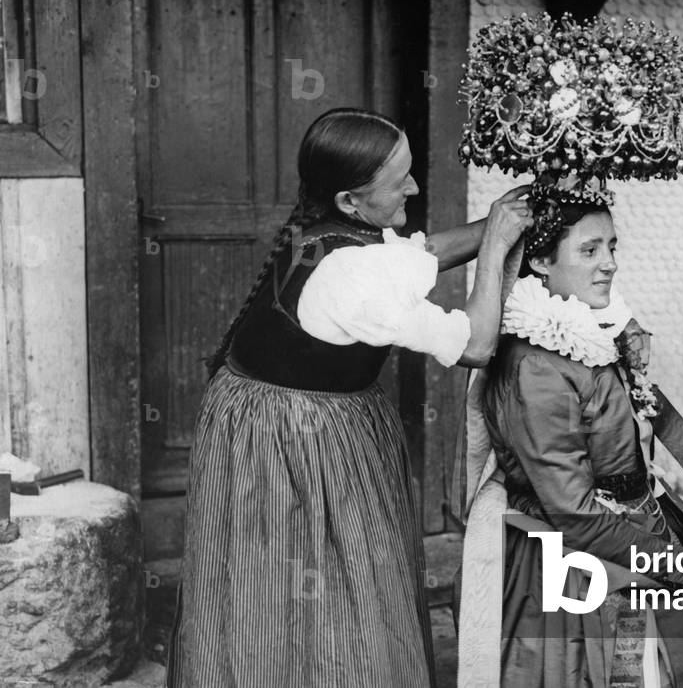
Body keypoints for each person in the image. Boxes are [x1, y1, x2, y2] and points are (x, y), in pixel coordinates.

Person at [167, 107, 531, 687]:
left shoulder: (329, 229)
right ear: (348, 203)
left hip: (258, 420)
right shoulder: (352, 275)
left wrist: (497, 221)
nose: (414, 186)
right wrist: (497, 250)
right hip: (301, 434)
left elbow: (420, 254)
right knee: (331, 575)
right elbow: (477, 345)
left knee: (275, 577)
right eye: (399, 182)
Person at [457, 200, 683, 687]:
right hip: (580, 557)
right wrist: (682, 568)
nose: (609, 262)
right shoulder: (536, 366)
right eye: (589, 250)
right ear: (540, 263)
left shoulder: (586, 331)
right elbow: (574, 515)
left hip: (634, 525)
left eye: (611, 246)